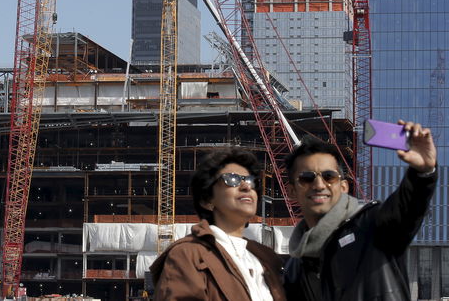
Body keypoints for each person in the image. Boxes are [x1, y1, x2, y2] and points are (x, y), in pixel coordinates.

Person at [284, 121, 437, 301]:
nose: (319, 185)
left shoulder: (373, 225)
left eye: (329, 177)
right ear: (291, 191)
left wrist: (423, 173)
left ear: (343, 187)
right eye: (307, 178)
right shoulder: (294, 269)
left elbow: (408, 207)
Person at [150, 149, 286, 300]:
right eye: (232, 179)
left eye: (250, 180)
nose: (246, 187)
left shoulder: (266, 259)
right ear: (207, 200)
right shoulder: (188, 254)